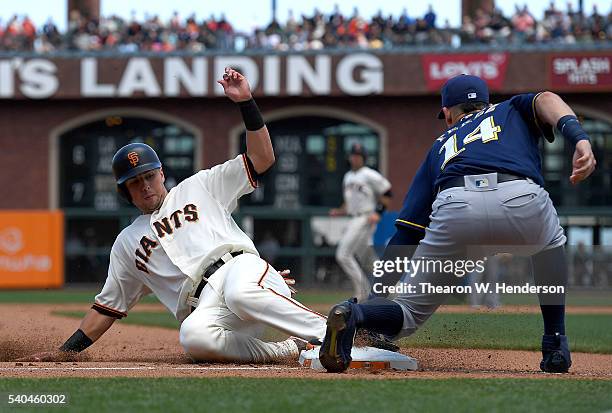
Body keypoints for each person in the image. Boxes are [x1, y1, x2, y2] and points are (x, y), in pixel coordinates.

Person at [23, 68, 328, 363]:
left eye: (149, 176)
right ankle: (290, 350)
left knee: (240, 292)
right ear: (125, 192)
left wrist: (246, 102)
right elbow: (106, 308)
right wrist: (66, 352)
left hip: (238, 270)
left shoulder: (200, 185)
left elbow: (262, 158)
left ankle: (334, 334)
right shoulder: (127, 244)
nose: (144, 186)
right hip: (207, 308)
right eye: (134, 182)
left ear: (161, 174)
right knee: (193, 337)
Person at [319, 74, 596, 373]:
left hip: (456, 209)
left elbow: (406, 232)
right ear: (485, 102)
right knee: (550, 244)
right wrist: (579, 138)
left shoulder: (440, 144)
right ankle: (554, 343)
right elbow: (546, 99)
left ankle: (354, 314)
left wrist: (374, 300)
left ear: (449, 113)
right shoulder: (509, 109)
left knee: (408, 312)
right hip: (519, 198)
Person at [329, 143, 392, 301]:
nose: (355, 158)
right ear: (350, 157)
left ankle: (363, 291)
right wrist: (340, 210)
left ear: (363, 158)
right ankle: (393, 288)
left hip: (365, 217)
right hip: (354, 217)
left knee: (343, 254)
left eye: (359, 155)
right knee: (368, 259)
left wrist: (378, 212)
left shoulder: (369, 174)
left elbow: (387, 192)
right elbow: (349, 202)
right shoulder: (348, 176)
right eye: (353, 155)